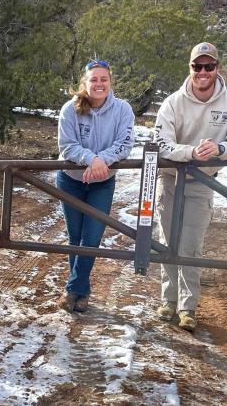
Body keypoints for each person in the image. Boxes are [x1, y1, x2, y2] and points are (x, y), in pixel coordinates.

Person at [153, 42, 227, 331]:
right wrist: (190, 153)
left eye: (209, 66)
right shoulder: (172, 102)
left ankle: (188, 308)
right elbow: (162, 143)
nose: (203, 72)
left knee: (190, 246)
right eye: (197, 66)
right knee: (166, 243)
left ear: (217, 69)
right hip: (170, 179)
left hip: (202, 182)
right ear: (190, 68)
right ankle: (167, 301)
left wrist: (220, 148)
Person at [56, 60, 135, 312]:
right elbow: (66, 145)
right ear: (85, 83)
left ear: (110, 82)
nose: (99, 83)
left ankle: (72, 290)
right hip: (71, 180)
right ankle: (81, 291)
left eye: (104, 79)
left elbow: (125, 144)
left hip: (102, 184)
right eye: (94, 79)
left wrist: (103, 161)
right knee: (75, 237)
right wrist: (92, 159)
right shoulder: (70, 109)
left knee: (91, 238)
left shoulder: (123, 110)